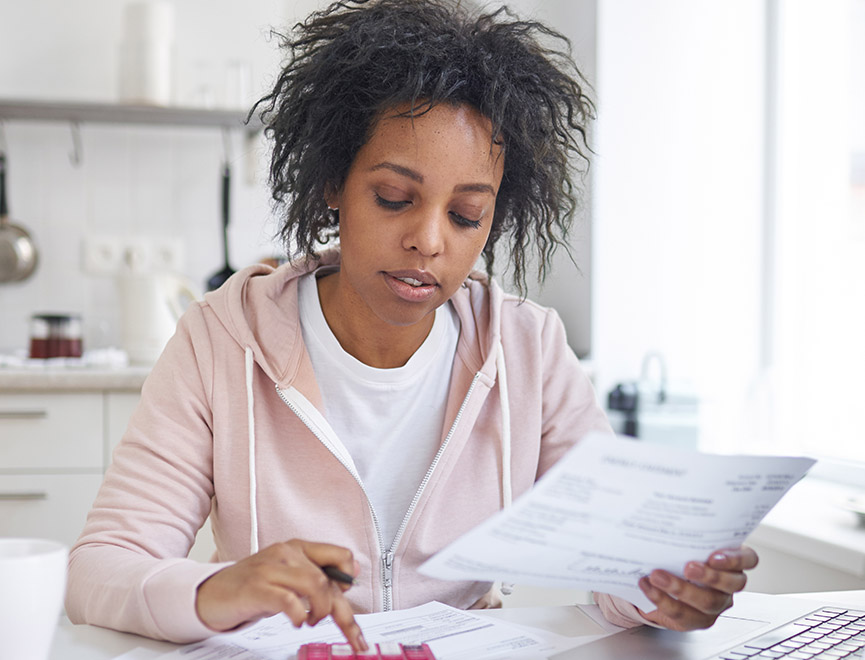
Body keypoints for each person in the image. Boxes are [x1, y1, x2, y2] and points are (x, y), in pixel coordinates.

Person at [65, 0, 758, 651]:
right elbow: (99, 570)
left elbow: (616, 564)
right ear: (333, 183)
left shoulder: (528, 350)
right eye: (394, 198)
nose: (429, 240)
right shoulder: (220, 339)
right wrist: (217, 588)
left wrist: (664, 592)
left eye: (465, 216)